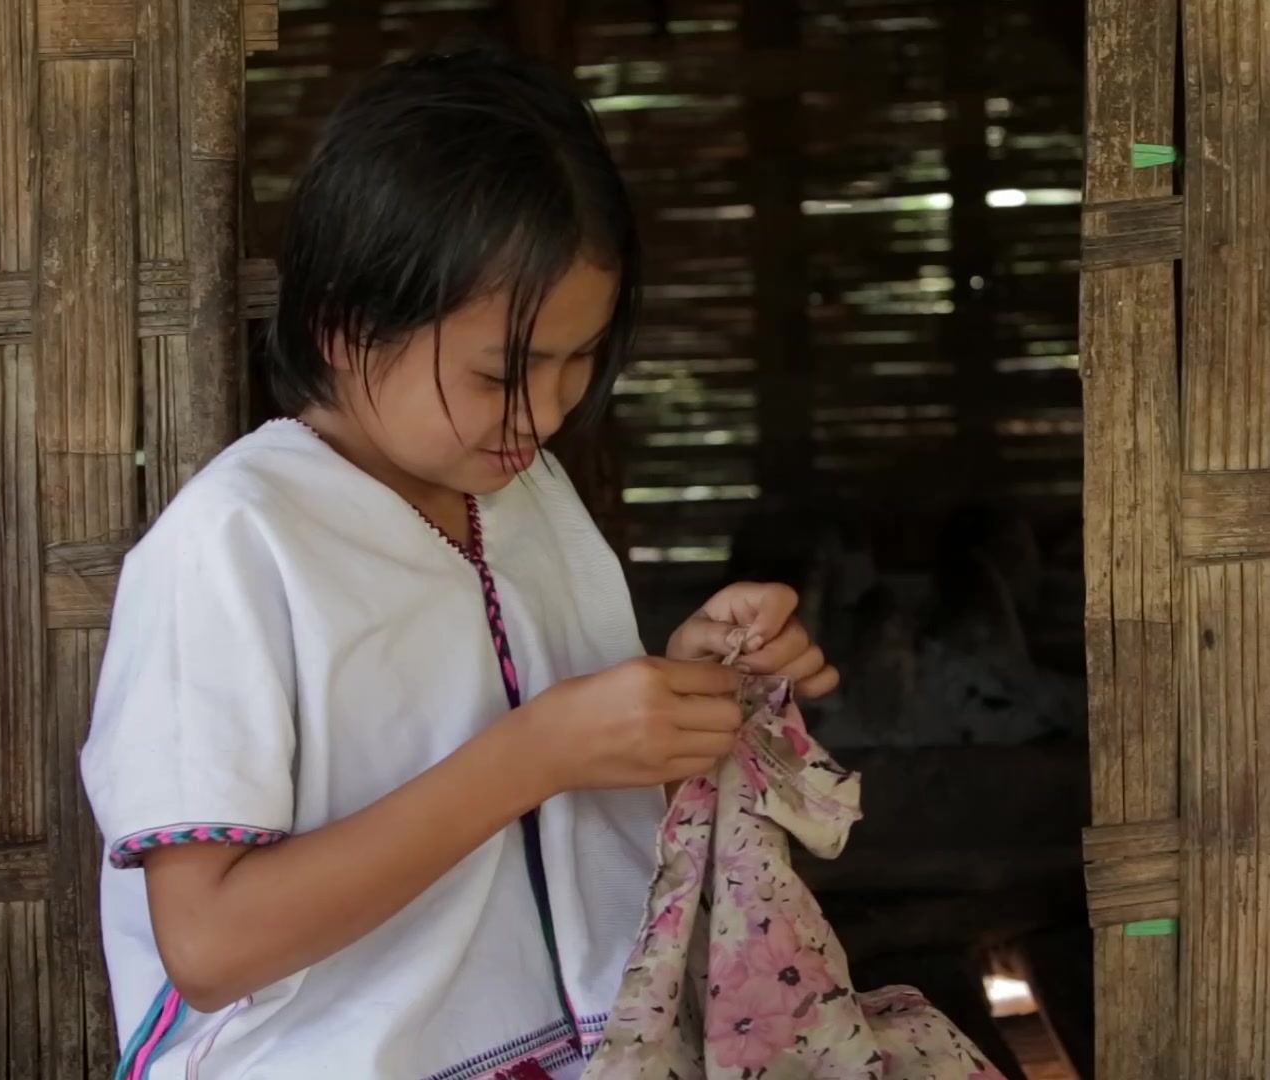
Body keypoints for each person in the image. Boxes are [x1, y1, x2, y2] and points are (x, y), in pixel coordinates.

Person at [79, 46, 839, 1080]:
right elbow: (209, 947)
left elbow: (572, 816)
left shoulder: (529, 499)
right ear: (345, 324)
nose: (551, 409)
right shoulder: (234, 544)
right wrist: (536, 753)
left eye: (581, 360)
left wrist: (684, 692)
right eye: (503, 371)